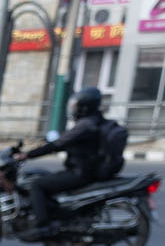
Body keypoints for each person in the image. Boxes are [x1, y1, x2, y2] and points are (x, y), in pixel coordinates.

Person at [19, 85, 120, 236]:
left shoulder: (85, 125)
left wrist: (27, 155)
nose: (73, 109)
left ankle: (42, 225)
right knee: (46, 178)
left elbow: (58, 144)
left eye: (76, 106)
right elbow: (67, 143)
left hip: (80, 173)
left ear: (84, 107)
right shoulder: (97, 122)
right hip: (90, 170)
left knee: (37, 185)